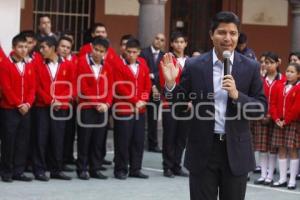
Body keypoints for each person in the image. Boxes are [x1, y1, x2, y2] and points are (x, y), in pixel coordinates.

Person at [160, 11, 267, 200]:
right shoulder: (195, 65)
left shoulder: (250, 67)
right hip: (203, 150)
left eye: (232, 33)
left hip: (236, 150)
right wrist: (170, 85)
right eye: (222, 32)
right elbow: (178, 106)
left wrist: (236, 95)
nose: (227, 38)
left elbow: (260, 108)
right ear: (211, 35)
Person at [33, 36, 73, 181]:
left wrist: (60, 101)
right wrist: (51, 100)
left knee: (58, 138)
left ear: (52, 48)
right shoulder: (38, 64)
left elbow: (72, 86)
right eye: (40, 48)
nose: (41, 50)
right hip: (43, 107)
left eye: (44, 47)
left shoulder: (68, 65)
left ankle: (56, 169)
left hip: (60, 108)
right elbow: (37, 87)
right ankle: (39, 170)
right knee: (41, 138)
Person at [113, 38, 151, 180]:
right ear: (125, 51)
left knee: (138, 140)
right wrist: (136, 101)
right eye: (129, 52)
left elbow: (147, 84)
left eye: (134, 52)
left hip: (140, 109)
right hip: (124, 109)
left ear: (139, 52)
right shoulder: (118, 64)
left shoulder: (143, 64)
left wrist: (144, 100)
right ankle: (120, 169)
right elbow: (119, 86)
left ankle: (136, 168)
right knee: (123, 141)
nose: (131, 55)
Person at [76, 37, 113, 180]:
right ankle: (82, 168)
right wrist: (96, 102)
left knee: (98, 139)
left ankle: (95, 169)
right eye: (96, 50)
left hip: (102, 109)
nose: (97, 53)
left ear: (105, 52)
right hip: (86, 108)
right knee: (84, 139)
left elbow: (110, 88)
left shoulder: (108, 66)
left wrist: (107, 104)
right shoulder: (81, 63)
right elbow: (82, 86)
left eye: (101, 51)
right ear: (91, 48)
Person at [0, 34, 36, 182]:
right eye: (20, 47)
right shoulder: (5, 64)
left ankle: (18, 171)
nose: (23, 50)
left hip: (26, 109)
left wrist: (27, 103)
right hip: (9, 109)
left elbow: (32, 87)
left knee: (22, 141)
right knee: (9, 141)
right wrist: (18, 104)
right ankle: (6, 172)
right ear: (14, 48)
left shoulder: (29, 65)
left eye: (25, 47)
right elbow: (6, 88)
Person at [159, 31, 190, 178]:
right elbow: (163, 82)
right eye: (176, 42)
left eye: (182, 42)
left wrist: (191, 101)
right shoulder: (167, 60)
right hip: (170, 104)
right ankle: (168, 166)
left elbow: (194, 84)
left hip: (186, 105)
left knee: (181, 138)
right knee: (169, 137)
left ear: (186, 44)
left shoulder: (190, 61)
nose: (179, 44)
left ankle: (177, 165)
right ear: (171, 44)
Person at [253, 52, 285, 186]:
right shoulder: (261, 79)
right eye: (266, 62)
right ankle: (263, 175)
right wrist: (261, 114)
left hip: (276, 118)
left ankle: (270, 176)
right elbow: (257, 98)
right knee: (262, 147)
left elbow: (282, 100)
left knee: (273, 148)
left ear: (278, 63)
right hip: (262, 116)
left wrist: (273, 115)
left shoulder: (283, 80)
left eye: (271, 62)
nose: (268, 65)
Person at [270, 62, 300, 190]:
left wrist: (286, 120)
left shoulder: (298, 88)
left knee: (292, 150)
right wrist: (276, 118)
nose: (288, 73)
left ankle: (292, 180)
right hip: (279, 122)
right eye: (287, 71)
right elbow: (273, 103)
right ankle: (282, 178)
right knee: (281, 149)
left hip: (292, 122)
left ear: (298, 74)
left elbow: (296, 108)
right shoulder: (279, 85)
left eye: (292, 71)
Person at [140, 33, 165, 153]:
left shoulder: (164, 56)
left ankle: (153, 144)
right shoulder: (143, 53)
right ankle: (139, 142)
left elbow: (163, 72)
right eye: (157, 38)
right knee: (140, 117)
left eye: (161, 40)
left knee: (153, 118)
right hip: (144, 90)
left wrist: (153, 75)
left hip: (156, 92)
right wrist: (152, 84)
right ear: (153, 39)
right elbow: (142, 70)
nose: (158, 41)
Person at [57, 36, 78, 169]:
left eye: (68, 48)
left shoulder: (72, 62)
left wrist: (71, 96)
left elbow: (74, 82)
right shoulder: (50, 61)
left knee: (67, 133)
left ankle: (64, 159)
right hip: (53, 102)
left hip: (69, 103)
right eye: (63, 46)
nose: (65, 49)